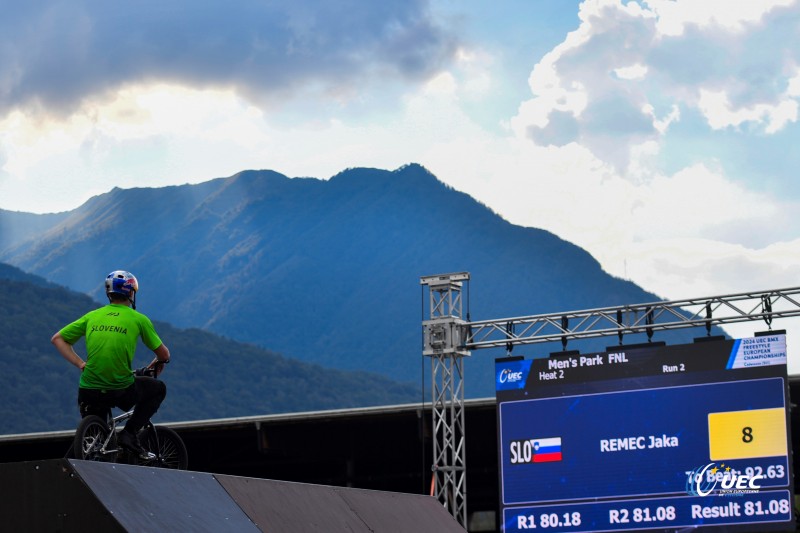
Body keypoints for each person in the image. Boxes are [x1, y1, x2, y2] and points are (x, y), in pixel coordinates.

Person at [51, 270, 171, 459]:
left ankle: (63, 468)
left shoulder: (92, 316)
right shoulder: (138, 319)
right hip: (120, 388)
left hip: (88, 389)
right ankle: (129, 434)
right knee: (158, 389)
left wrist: (81, 363)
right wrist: (157, 363)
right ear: (131, 293)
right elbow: (164, 354)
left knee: (92, 439)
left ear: (109, 293)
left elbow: (57, 339)